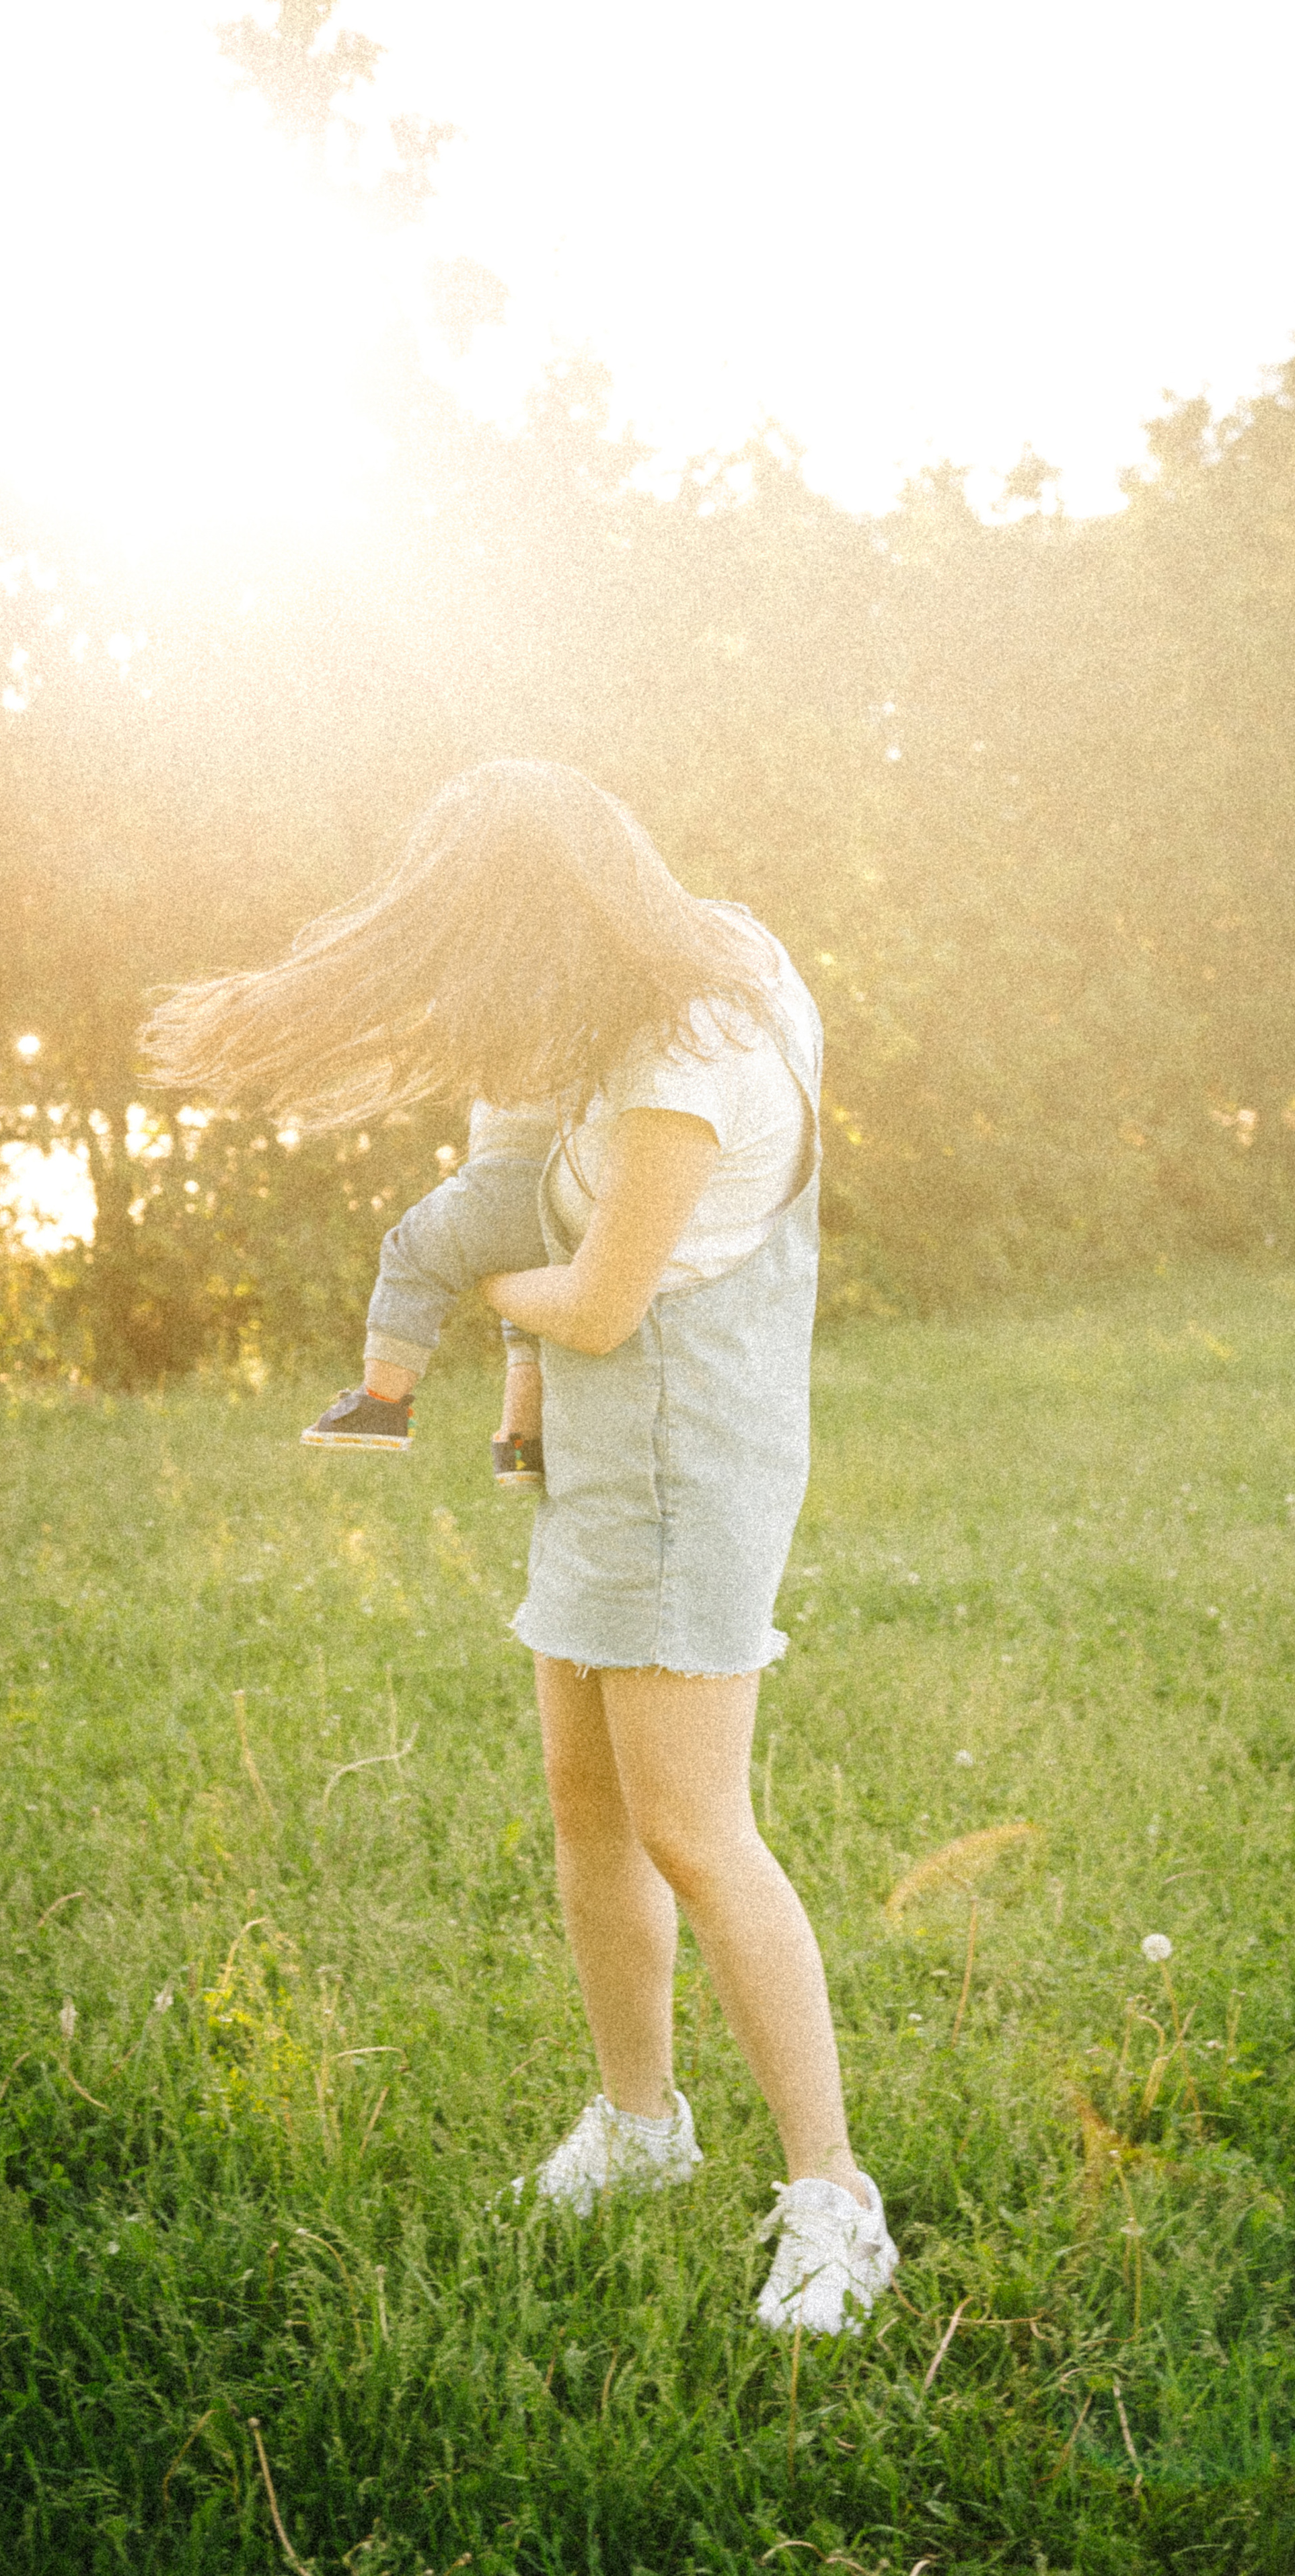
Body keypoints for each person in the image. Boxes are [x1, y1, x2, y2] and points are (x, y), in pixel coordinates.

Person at [143, 759, 899, 2335]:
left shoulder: (688, 1047)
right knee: (587, 1810)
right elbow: (529, 1182)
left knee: (695, 1828)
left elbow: (599, 1298)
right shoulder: (633, 991)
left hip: (691, 1464)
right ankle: (639, 2129)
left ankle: (832, 2195)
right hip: (600, 1460)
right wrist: (516, 1389)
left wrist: (474, 1288)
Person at [299, 1098, 554, 1490]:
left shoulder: (514, 1041)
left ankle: (382, 1403)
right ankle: (523, 1445)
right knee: (533, 1313)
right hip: (568, 1195)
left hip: (506, 1180)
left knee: (414, 1250)